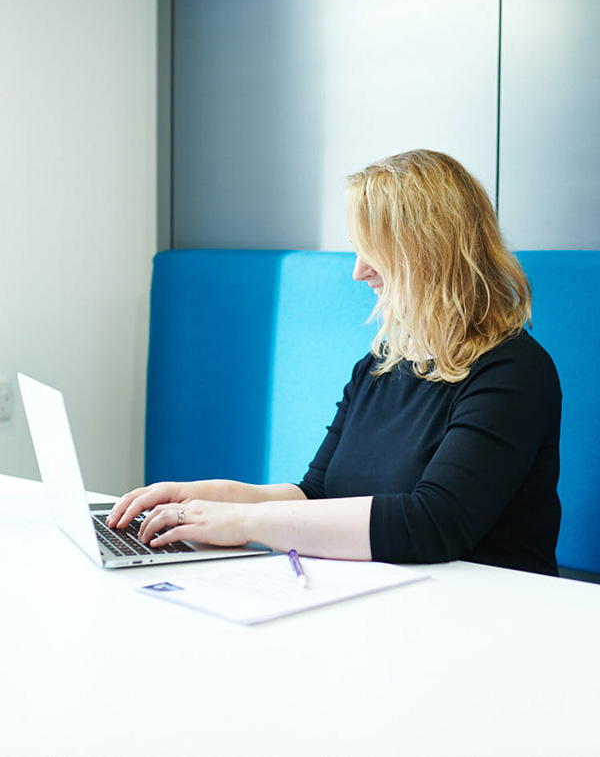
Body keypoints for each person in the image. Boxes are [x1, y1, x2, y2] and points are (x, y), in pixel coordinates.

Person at [107, 149, 562, 575]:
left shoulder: (514, 372)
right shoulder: (379, 367)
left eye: (373, 251)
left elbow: (431, 525)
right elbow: (317, 493)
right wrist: (204, 498)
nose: (358, 271)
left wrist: (242, 523)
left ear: (429, 253)